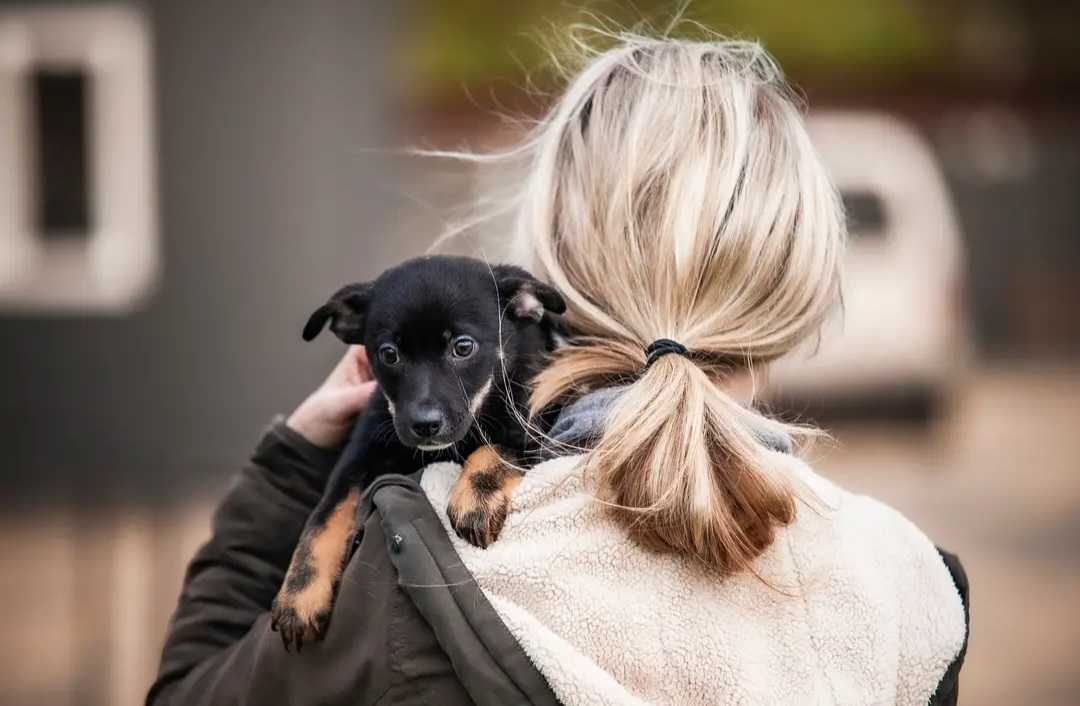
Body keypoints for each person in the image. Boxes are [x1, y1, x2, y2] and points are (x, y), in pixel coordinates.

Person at [147, 34, 968, 706]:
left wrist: (294, 462)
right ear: (795, 294)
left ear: (548, 275)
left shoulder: (420, 563)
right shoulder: (905, 592)